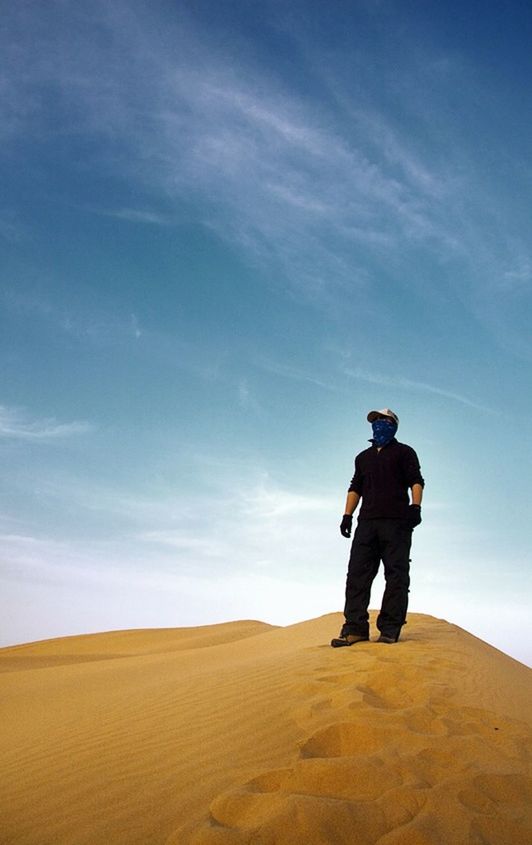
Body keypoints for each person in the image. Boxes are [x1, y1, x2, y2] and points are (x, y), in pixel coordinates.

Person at [331, 408, 424, 647]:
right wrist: (347, 515)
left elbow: (416, 480)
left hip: (397, 523)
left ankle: (390, 629)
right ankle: (355, 629)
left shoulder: (405, 452)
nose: (379, 424)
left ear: (393, 425)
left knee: (396, 575)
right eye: (375, 421)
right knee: (357, 576)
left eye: (383, 420)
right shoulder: (363, 457)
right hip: (367, 524)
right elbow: (355, 487)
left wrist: (416, 507)